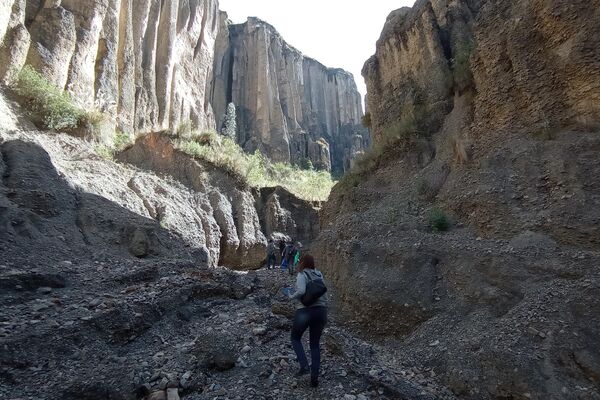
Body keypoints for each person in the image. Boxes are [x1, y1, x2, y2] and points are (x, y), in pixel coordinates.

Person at [287, 254, 328, 387]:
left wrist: (291, 296)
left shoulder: (302, 275)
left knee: (295, 338)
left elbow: (301, 291)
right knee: (315, 344)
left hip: (305, 311)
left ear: (303, 263)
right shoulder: (319, 274)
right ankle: (314, 378)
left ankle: (304, 366)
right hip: (321, 311)